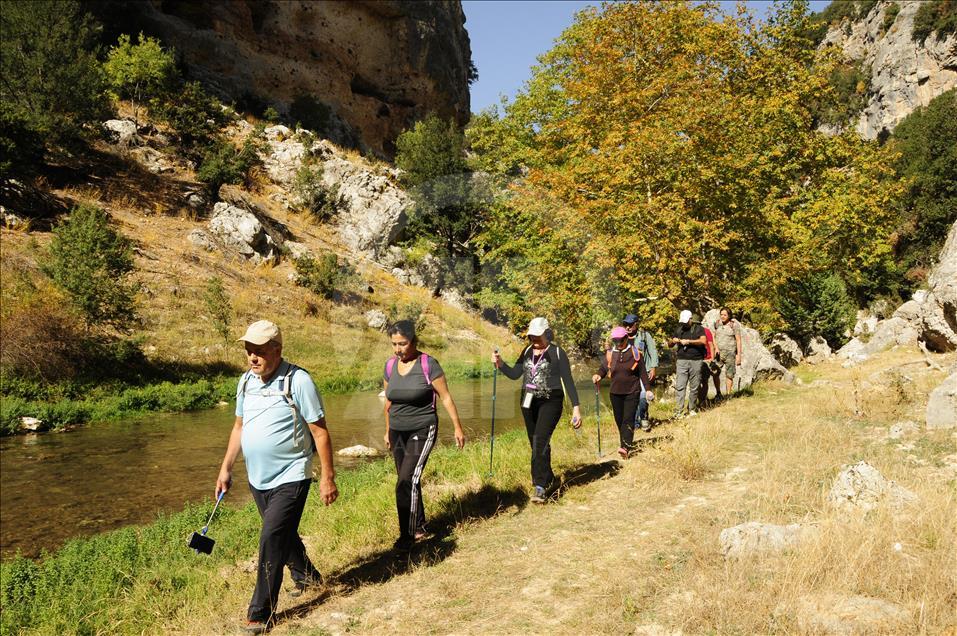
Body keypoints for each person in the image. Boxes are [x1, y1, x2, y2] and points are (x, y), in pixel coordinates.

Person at [216, 320, 338, 635]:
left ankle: (259, 614)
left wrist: (327, 476)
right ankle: (307, 576)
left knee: (271, 537)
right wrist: (226, 467)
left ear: (277, 350)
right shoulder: (246, 382)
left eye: (259, 351)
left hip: (293, 473)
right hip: (258, 478)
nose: (252, 357)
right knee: (282, 533)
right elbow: (239, 427)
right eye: (248, 351)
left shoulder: (298, 381)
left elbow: (319, 432)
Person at [383, 320, 465, 551]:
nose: (398, 349)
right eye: (394, 344)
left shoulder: (429, 364)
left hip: (422, 426)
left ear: (413, 341)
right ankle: (418, 526)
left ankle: (406, 536)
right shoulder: (390, 366)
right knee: (407, 479)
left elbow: (446, 397)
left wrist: (457, 427)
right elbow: (388, 401)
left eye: (403, 343)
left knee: (406, 480)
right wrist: (387, 429)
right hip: (398, 430)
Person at [492, 317, 582, 503]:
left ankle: (539, 486)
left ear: (547, 334)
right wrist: (500, 364)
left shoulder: (557, 352)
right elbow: (515, 373)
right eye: (532, 336)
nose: (534, 340)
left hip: (551, 401)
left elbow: (568, 381)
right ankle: (548, 477)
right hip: (528, 401)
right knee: (536, 443)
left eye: (538, 336)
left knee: (540, 440)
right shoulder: (526, 351)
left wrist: (576, 408)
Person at [592, 326, 650, 458]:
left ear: (626, 339)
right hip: (615, 393)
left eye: (620, 341)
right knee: (619, 420)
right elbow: (603, 368)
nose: (618, 344)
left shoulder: (636, 353)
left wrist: (648, 390)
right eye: (615, 341)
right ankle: (624, 443)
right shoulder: (611, 354)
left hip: (632, 391)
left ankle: (625, 447)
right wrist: (598, 375)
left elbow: (643, 373)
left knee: (628, 420)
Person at [668, 310, 707, 418]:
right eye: (683, 322)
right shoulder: (678, 329)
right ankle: (678, 411)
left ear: (691, 319)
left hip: (696, 360)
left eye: (686, 321)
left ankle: (692, 409)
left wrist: (689, 342)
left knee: (694, 386)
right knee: (680, 386)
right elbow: (669, 344)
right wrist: (673, 341)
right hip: (681, 360)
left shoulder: (699, 328)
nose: (684, 324)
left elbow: (703, 341)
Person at [623, 313, 658, 430]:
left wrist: (653, 367)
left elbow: (653, 351)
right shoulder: (623, 338)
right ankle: (635, 422)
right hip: (629, 374)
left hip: (644, 371)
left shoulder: (644, 335)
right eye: (625, 324)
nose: (627, 327)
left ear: (636, 325)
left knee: (643, 396)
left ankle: (643, 417)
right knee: (632, 398)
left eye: (630, 325)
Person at [713, 307, 743, 396]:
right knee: (714, 372)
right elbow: (713, 337)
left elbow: (738, 340)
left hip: (730, 353)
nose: (722, 316)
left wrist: (739, 355)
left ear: (729, 316)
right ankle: (718, 393)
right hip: (718, 354)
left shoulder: (734, 325)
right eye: (721, 314)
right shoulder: (717, 324)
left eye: (725, 315)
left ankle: (728, 394)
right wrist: (716, 348)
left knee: (729, 375)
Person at [697, 320, 721, 405]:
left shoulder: (706, 331)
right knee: (697, 381)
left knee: (704, 381)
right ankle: (701, 399)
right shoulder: (691, 332)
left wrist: (712, 359)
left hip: (706, 359)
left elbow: (711, 345)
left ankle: (703, 400)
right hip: (696, 359)